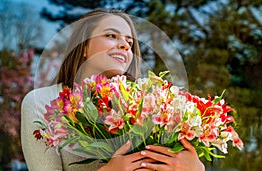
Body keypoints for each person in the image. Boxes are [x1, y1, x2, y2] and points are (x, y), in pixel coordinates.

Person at [21, 8, 205, 171]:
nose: (125, 45)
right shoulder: (42, 102)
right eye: (111, 35)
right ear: (83, 46)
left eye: (130, 43)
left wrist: (193, 169)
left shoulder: (145, 105)